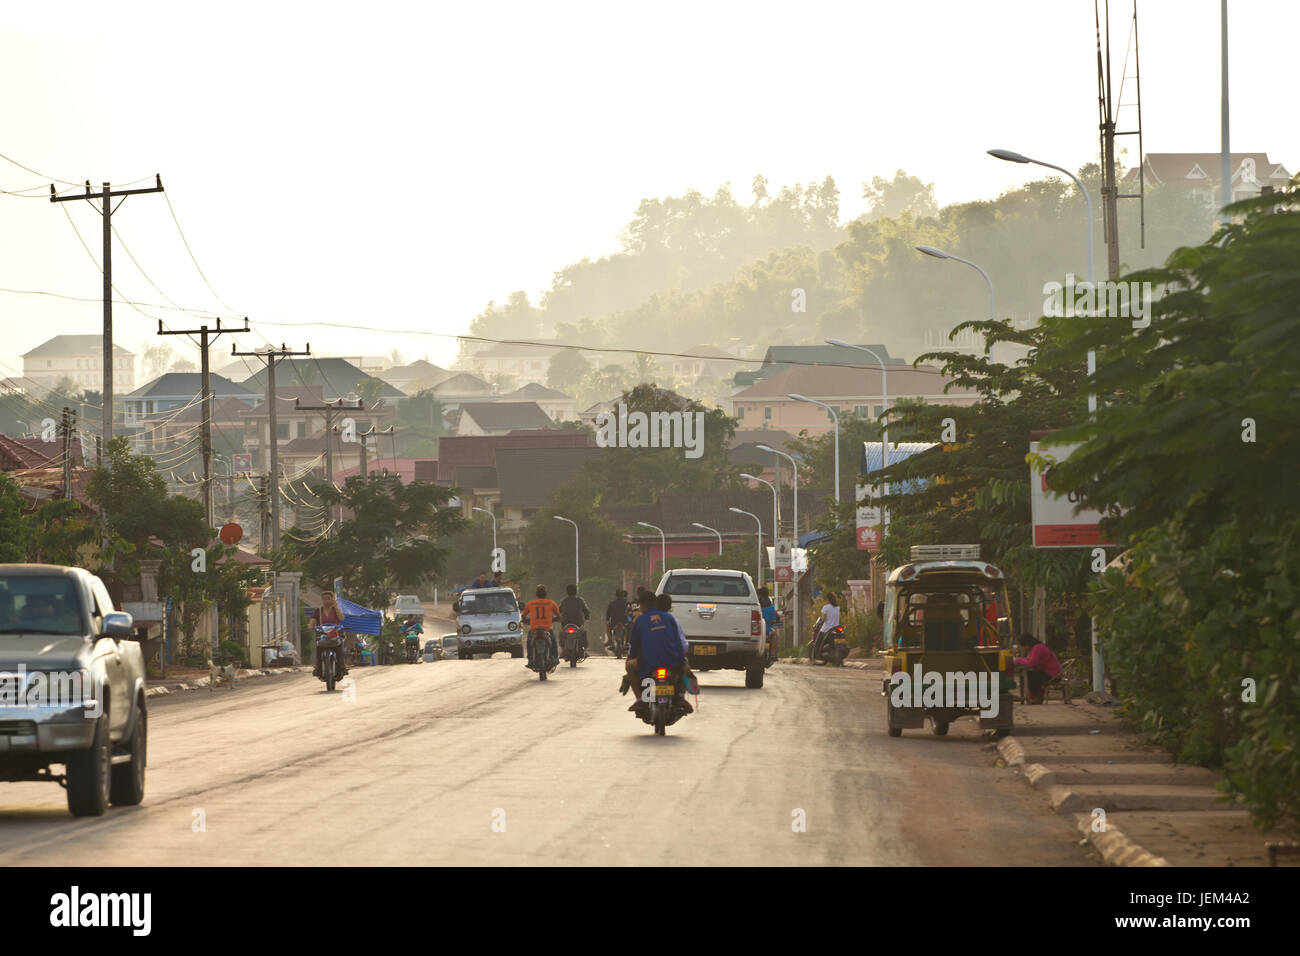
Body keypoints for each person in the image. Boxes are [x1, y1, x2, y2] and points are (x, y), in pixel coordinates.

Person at [624, 591, 687, 710]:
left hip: (648, 663)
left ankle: (640, 699)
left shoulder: (640, 620)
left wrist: (631, 658)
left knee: (629, 667)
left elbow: (634, 644)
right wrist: (681, 660)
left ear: (642, 605)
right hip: (671, 661)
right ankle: (681, 697)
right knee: (685, 670)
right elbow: (678, 643)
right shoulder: (669, 618)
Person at [521, 585, 561, 670]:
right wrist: (553, 620)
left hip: (534, 630)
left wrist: (527, 621)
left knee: (529, 642)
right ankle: (555, 658)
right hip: (547, 629)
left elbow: (523, 616)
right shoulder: (551, 603)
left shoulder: (531, 603)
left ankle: (530, 659)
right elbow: (558, 616)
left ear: (536, 594)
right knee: (553, 641)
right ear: (546, 594)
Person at [1015, 633, 1062, 703]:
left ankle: (1036, 697)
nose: (1022, 649)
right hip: (1049, 673)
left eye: (1022, 646)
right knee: (1026, 675)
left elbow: (1031, 663)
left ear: (1027, 644)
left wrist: (1016, 660)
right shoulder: (1034, 649)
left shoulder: (1037, 648)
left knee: (1031, 675)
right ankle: (1030, 696)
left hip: (1053, 675)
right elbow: (1029, 660)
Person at [311, 590, 348, 678]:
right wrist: (311, 626)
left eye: (328, 599)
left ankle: (342, 667)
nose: (326, 601)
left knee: (340, 650)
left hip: (335, 634)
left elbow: (341, 619)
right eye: (324, 599)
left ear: (333, 599)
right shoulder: (318, 610)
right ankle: (318, 668)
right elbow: (312, 621)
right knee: (318, 650)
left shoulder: (336, 610)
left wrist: (336, 607)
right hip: (322, 635)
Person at [558, 584, 590, 656]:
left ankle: (563, 650)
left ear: (567, 592)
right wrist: (587, 617)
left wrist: (558, 617)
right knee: (583, 633)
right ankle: (583, 648)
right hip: (578, 623)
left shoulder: (564, 600)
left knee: (562, 633)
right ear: (576, 591)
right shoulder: (580, 600)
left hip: (565, 623)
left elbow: (559, 610)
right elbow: (586, 610)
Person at [810, 591, 841, 660]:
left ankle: (813, 657)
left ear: (828, 599)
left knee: (817, 643)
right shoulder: (838, 608)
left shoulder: (826, 607)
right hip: (836, 628)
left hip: (826, 628)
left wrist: (823, 620)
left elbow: (823, 619)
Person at [757, 586, 780, 661]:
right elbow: (773, 621)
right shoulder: (771, 607)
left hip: (758, 630)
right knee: (775, 636)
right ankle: (773, 654)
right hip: (768, 631)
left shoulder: (756, 606)